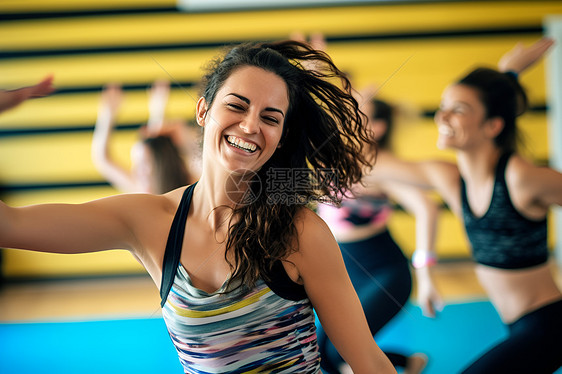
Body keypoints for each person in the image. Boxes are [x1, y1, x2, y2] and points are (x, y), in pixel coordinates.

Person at [0, 40, 396, 374]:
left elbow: (368, 363)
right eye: (237, 106)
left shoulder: (300, 231)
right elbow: (9, 225)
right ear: (203, 110)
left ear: (281, 135)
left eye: (270, 117)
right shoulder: (148, 221)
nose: (249, 126)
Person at [368, 37, 562, 373]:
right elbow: (365, 162)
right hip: (516, 325)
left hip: (549, 325)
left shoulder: (520, 178)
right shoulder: (449, 178)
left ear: (493, 126)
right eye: (444, 105)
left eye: (458, 109)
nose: (442, 115)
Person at [316, 97, 438, 374]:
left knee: (339, 350)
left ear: (378, 128)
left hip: (385, 273)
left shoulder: (379, 168)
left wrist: (426, 273)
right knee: (322, 352)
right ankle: (408, 363)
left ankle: (404, 364)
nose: (347, 118)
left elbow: (427, 208)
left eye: (360, 115)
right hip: (346, 271)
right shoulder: (335, 156)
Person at [91, 81, 196, 194]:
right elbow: (102, 159)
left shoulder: (191, 187)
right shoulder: (142, 190)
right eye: (136, 164)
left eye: (143, 164)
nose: (136, 172)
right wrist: (108, 115)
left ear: (163, 164)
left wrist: (158, 112)